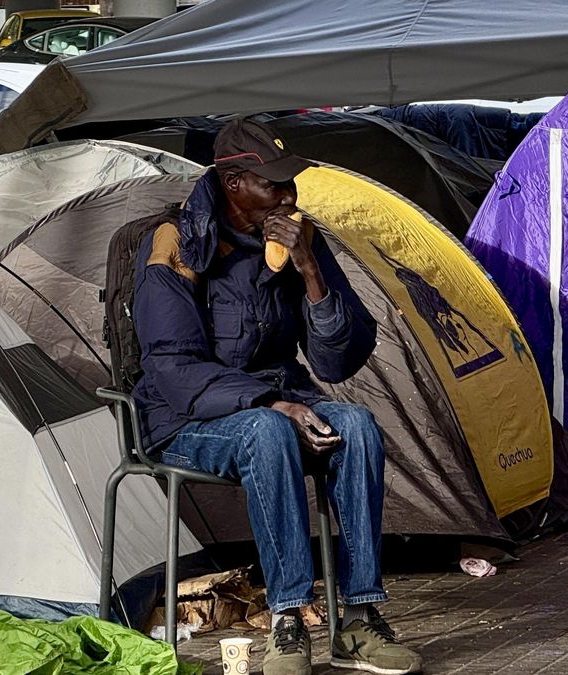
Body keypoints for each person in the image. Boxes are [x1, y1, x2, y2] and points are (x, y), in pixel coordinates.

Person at [132, 118, 422, 675]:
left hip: (281, 400)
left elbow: (337, 361)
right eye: (275, 186)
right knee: (266, 430)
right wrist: (269, 403)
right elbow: (171, 368)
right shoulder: (176, 244)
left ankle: (358, 620)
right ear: (235, 183)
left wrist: (310, 268)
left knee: (357, 424)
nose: (288, 197)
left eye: (292, 185)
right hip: (183, 419)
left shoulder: (295, 238)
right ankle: (288, 623)